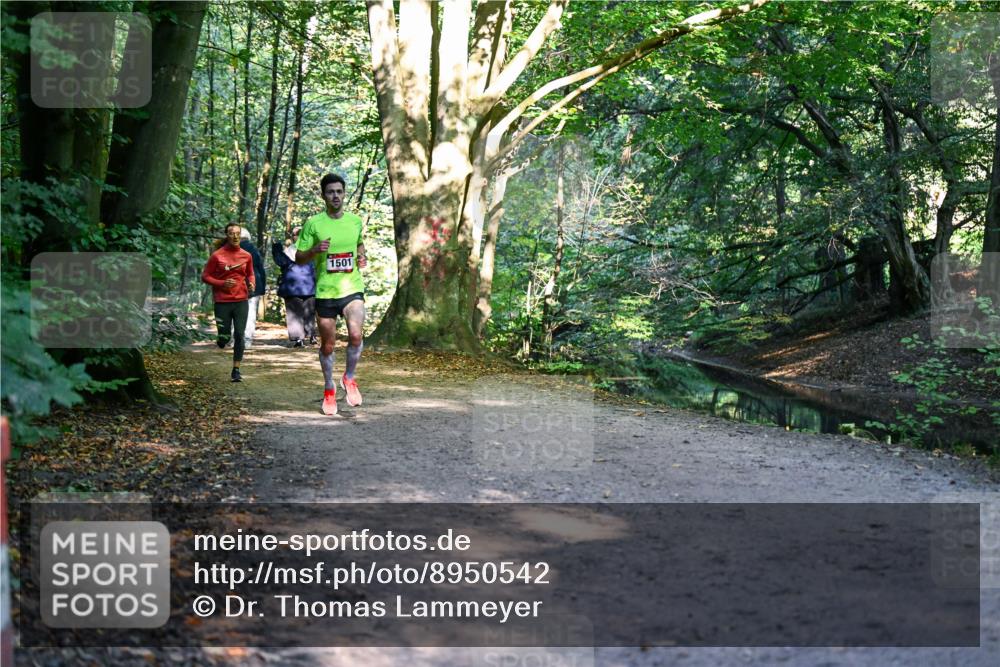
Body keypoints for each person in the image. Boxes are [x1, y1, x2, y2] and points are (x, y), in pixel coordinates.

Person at [296, 173, 367, 415]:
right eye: (330, 192)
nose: (335, 196)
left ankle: (349, 378)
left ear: (344, 193)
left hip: (351, 287)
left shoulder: (355, 221)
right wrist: (315, 250)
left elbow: (359, 243)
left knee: (356, 335)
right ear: (323, 195)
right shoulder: (314, 224)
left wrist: (361, 255)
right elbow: (298, 257)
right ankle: (329, 389)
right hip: (326, 291)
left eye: (339, 191)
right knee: (328, 345)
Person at [202, 224, 255, 382]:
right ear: (227, 235)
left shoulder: (246, 255)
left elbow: (250, 273)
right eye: (231, 233)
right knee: (224, 337)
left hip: (241, 300)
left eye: (237, 233)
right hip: (222, 301)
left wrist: (252, 283)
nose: (235, 236)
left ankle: (236, 369)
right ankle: (221, 339)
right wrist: (221, 283)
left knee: (239, 334)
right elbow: (205, 276)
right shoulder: (217, 255)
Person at [272, 226, 317, 347]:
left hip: (292, 287)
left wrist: (276, 247)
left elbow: (280, 261)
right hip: (310, 287)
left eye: (295, 235)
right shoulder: (313, 251)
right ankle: (311, 335)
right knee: (309, 312)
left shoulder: (288, 252)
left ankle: (299, 339)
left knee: (295, 313)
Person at [240, 228, 266, 349]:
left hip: (236, 285)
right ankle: (247, 340)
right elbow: (260, 269)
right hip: (253, 284)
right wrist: (262, 287)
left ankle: (235, 339)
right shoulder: (253, 250)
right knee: (250, 313)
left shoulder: (229, 250)